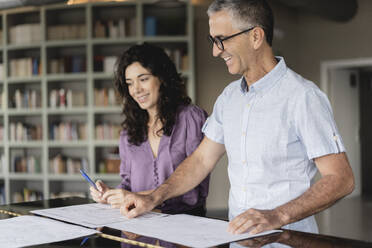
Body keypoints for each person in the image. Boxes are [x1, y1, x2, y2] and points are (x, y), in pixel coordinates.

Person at [119, 0, 355, 236]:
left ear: (255, 36)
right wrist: (153, 197)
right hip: (239, 238)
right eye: (213, 41)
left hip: (288, 239)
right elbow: (201, 160)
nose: (215, 51)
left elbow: (340, 178)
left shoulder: (303, 97)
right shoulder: (229, 97)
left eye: (221, 39)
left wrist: (277, 216)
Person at [90, 43, 209, 218]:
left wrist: (139, 197)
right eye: (130, 83)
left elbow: (195, 191)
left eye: (143, 79)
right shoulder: (128, 132)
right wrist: (112, 195)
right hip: (138, 226)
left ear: (162, 78)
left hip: (185, 226)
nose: (136, 90)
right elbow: (128, 184)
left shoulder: (191, 118)